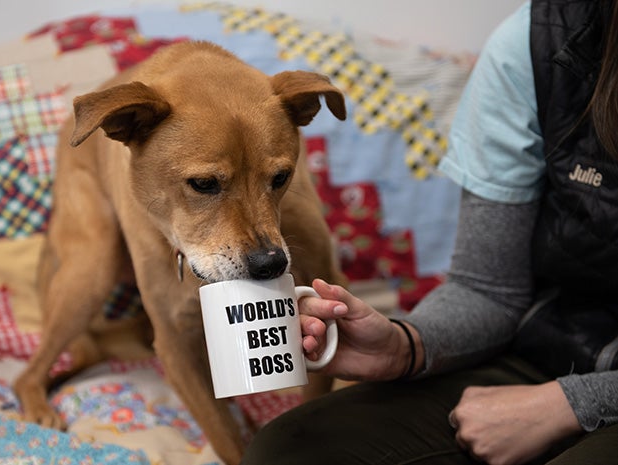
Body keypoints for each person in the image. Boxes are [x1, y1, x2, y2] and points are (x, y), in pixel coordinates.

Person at [240, 1, 618, 464]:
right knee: (284, 453)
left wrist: (575, 404)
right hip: (549, 351)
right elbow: (489, 287)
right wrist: (405, 346)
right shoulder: (538, 41)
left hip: (590, 391)